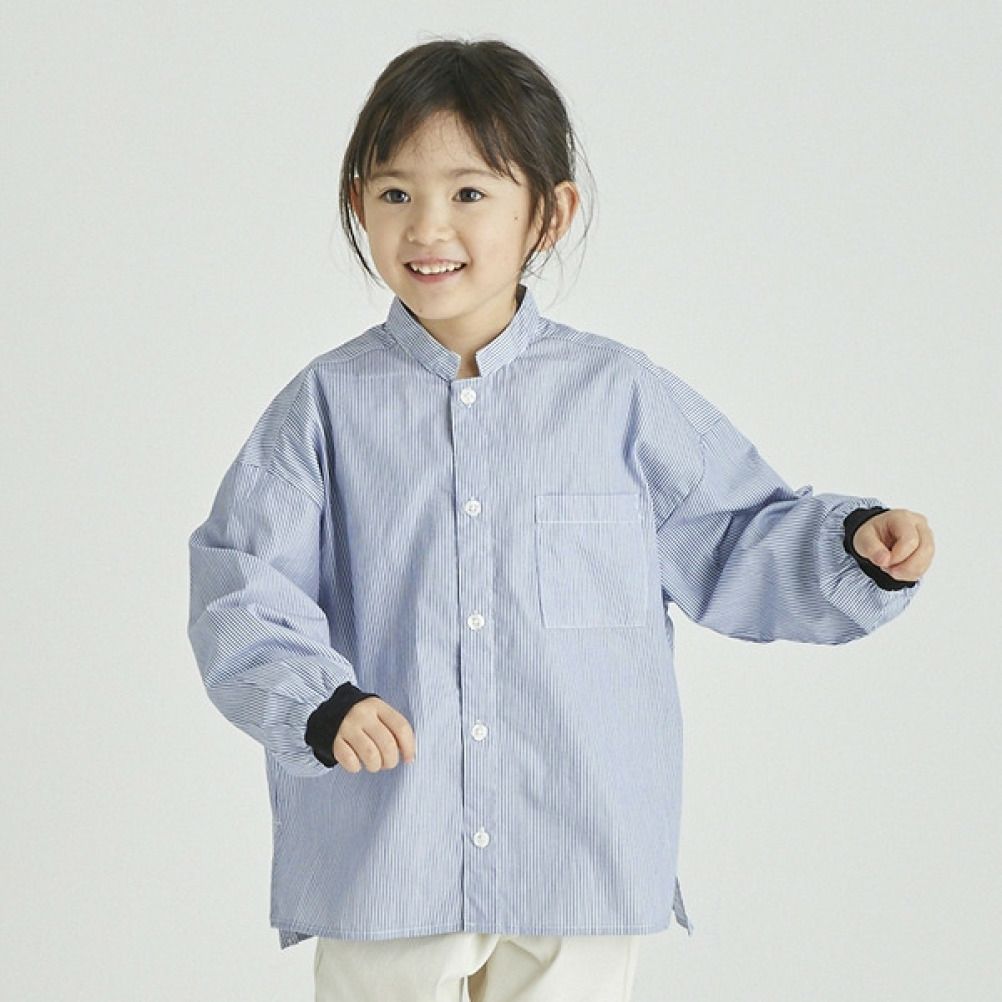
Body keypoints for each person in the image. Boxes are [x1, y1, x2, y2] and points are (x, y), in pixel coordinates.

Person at [186, 36, 935, 1002]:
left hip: (576, 844)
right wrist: (319, 705)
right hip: (387, 844)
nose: (428, 226)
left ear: (549, 212)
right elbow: (242, 586)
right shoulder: (323, 407)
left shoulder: (618, 397)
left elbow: (733, 534)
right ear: (358, 206)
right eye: (395, 192)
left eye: (469, 192)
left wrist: (851, 551)